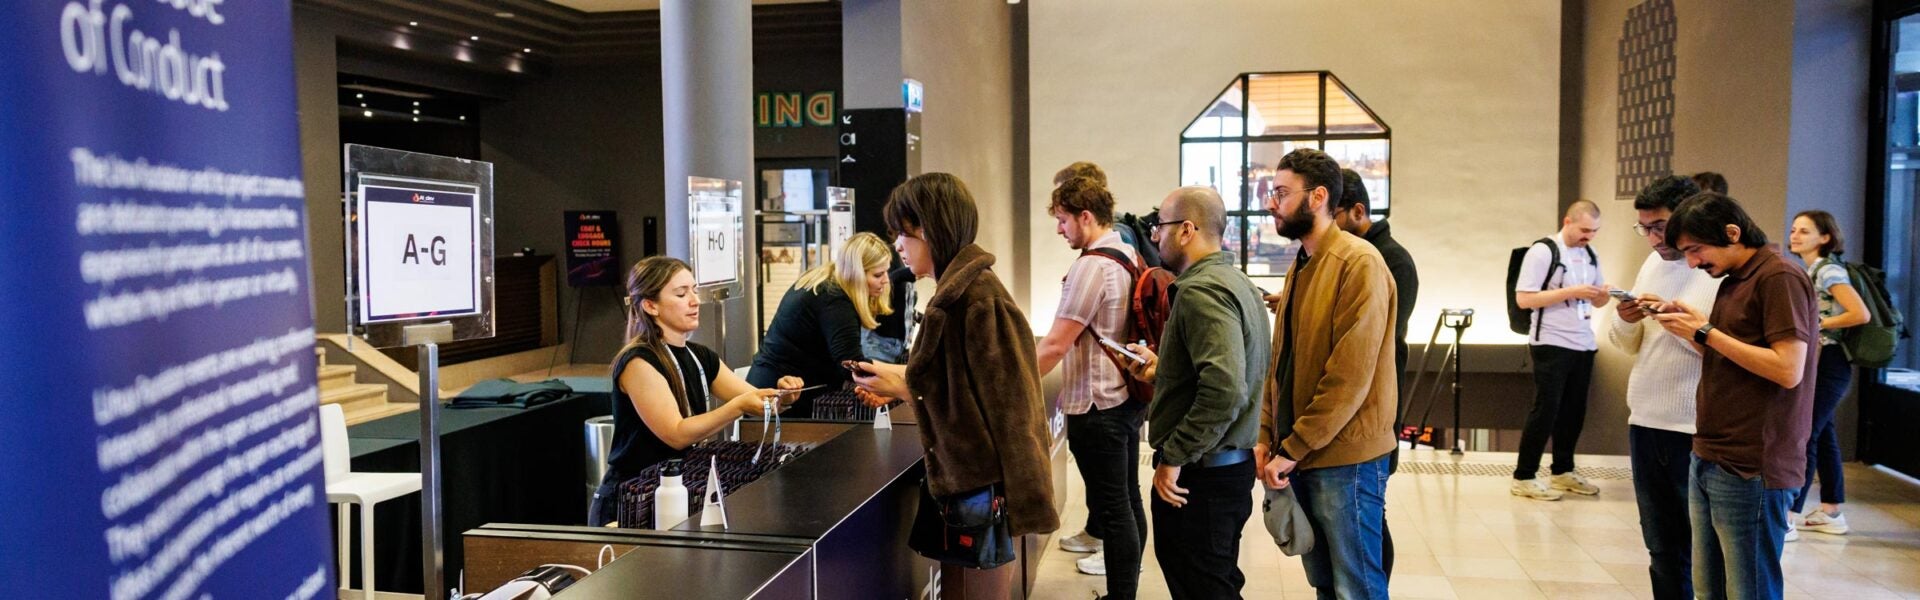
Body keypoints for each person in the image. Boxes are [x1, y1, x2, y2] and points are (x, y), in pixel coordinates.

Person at [850, 173, 1059, 596]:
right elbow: (959, 389)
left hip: (980, 491)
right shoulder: (957, 294)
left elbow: (1013, 408)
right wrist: (901, 384)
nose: (898, 247)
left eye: (901, 234)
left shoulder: (979, 298)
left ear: (927, 229)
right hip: (963, 487)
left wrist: (1025, 502)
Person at [1651, 192, 1817, 600]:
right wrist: (1692, 328)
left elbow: (1787, 369)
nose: (1692, 262)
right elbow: (1730, 355)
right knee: (1710, 591)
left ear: (1732, 232)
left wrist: (1706, 332)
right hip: (1710, 455)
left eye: (1696, 250)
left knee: (1749, 592)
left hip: (1752, 464)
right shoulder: (1734, 280)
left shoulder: (1779, 277)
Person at [1255, 149, 1396, 599]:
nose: (1271, 202)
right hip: (1305, 451)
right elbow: (1282, 362)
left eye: (1280, 192)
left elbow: (1349, 377)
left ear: (1317, 197)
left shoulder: (1359, 262)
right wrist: (1265, 436)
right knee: (1325, 586)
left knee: (1357, 587)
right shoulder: (1303, 262)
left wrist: (1292, 446)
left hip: (1346, 458)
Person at [1119, 186, 1270, 599]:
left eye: (1159, 226)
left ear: (1186, 229)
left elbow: (1224, 390)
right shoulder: (1236, 283)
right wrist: (1160, 370)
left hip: (1202, 477)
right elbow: (1215, 374)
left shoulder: (1202, 292)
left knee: (1203, 586)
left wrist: (1174, 457)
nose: (1154, 236)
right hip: (1221, 471)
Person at [589, 256, 801, 527]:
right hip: (632, 500)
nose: (695, 301)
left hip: (682, 488)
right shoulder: (638, 361)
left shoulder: (701, 356)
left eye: (694, 290)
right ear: (651, 305)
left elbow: (756, 401)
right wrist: (737, 407)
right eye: (681, 293)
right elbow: (676, 434)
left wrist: (782, 397)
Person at [1607, 176, 1719, 599]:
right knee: (1660, 545)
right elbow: (1626, 344)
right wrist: (1626, 317)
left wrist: (1683, 324)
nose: (1653, 238)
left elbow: (1724, 352)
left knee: (1703, 547)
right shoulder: (1654, 263)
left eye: (1660, 226)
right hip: (1646, 419)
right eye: (1645, 228)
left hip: (1693, 425)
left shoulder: (1714, 270)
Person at [1034, 176, 1147, 594]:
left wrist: (1009, 384)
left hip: (1097, 405)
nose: (1059, 229)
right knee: (1128, 501)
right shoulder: (1127, 252)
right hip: (1124, 398)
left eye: (1063, 220)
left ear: (1085, 216)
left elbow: (1056, 345)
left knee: (1114, 510)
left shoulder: (1091, 265)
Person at [1329, 167, 1418, 580]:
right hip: (1357, 407)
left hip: (1374, 408)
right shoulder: (1353, 255)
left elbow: (1373, 341)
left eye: (1336, 216)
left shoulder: (1389, 260)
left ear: (1358, 211)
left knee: (1368, 514)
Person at [1511, 200, 1612, 500]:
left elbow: (1596, 299)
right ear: (1568, 222)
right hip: (1550, 341)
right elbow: (1524, 299)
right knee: (1547, 408)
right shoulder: (1544, 251)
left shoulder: (1591, 255)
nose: (1588, 236)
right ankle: (1525, 475)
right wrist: (1573, 292)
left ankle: (1562, 470)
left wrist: (1603, 296)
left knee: (1574, 410)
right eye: (1584, 230)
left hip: (1583, 341)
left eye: (1594, 231)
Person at [1786, 210, 1869, 539]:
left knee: (1805, 433)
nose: (1795, 236)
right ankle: (1831, 510)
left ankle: (1789, 516)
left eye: (1805, 231)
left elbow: (1858, 313)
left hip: (1828, 361)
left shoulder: (1828, 269)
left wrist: (1816, 323)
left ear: (1825, 237)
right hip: (1824, 360)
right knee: (1824, 433)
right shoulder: (1812, 269)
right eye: (1794, 230)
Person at [748, 232, 895, 414]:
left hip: (778, 387)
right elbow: (851, 365)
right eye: (878, 274)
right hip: (781, 395)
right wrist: (901, 375)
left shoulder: (826, 281)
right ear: (856, 273)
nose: (886, 280)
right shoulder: (834, 299)